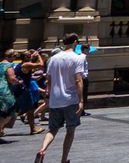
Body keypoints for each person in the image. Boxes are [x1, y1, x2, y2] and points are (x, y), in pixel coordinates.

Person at [35, 33, 85, 163]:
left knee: (52, 129)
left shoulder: (53, 59)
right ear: (75, 42)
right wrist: (81, 100)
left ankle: (42, 149)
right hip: (70, 99)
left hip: (55, 100)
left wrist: (48, 96)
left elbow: (49, 80)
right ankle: (63, 159)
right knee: (70, 130)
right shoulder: (77, 58)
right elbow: (78, 80)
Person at [17, 49, 45, 135]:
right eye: (28, 56)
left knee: (19, 109)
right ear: (25, 57)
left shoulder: (22, 64)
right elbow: (41, 65)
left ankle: (2, 128)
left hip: (22, 89)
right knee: (30, 110)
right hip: (25, 89)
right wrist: (38, 55)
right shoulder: (26, 64)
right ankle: (33, 129)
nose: (30, 57)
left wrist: (33, 55)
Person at [0, 49, 17, 138]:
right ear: (11, 56)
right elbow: (11, 79)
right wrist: (18, 81)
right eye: (15, 56)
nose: (15, 58)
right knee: (11, 110)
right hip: (5, 91)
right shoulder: (8, 65)